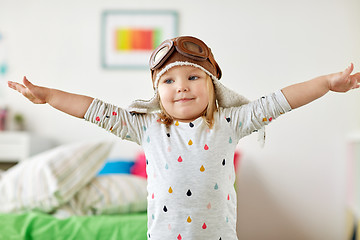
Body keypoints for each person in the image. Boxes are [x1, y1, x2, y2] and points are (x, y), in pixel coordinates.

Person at [7, 36, 360, 240]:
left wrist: (326, 84)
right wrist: (49, 96)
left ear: (212, 85)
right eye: (169, 81)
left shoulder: (230, 121)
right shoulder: (143, 126)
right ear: (157, 91)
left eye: (194, 77)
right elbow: (93, 109)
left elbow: (281, 100)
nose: (182, 87)